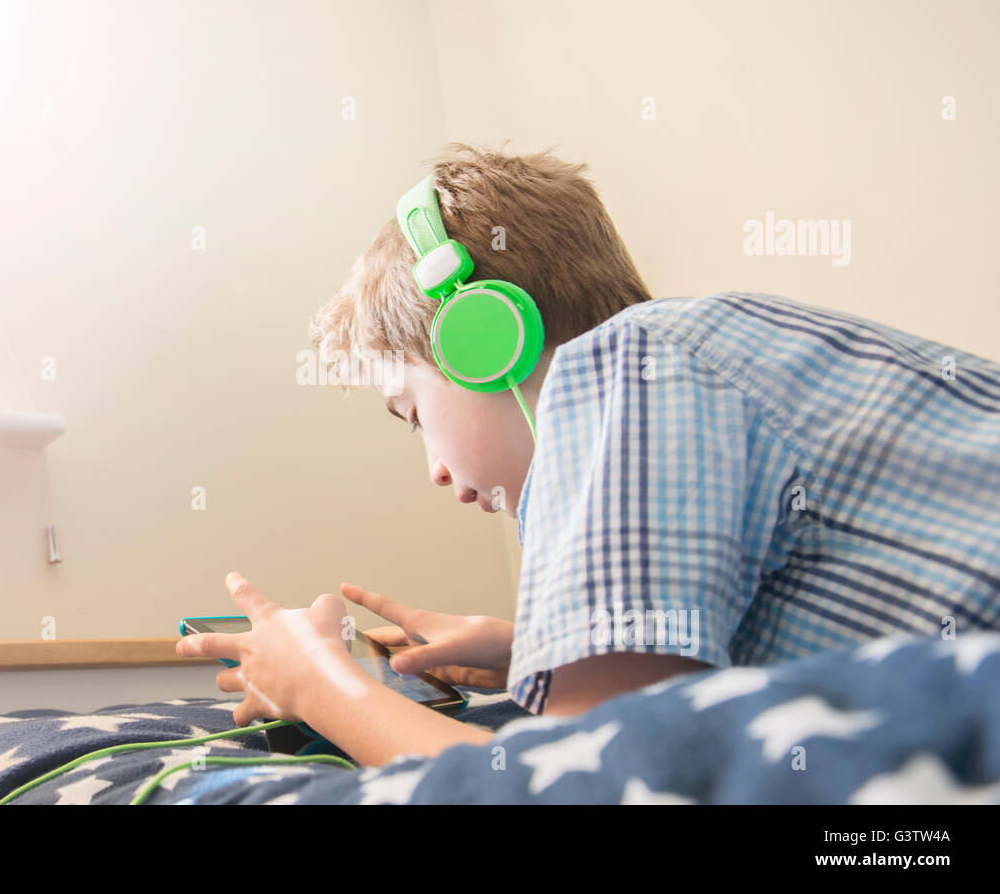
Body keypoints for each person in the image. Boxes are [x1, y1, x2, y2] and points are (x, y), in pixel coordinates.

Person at [176, 142, 1000, 768]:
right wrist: (533, 641)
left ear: (483, 338)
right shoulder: (690, 351)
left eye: (413, 413)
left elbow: (594, 782)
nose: (432, 466)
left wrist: (320, 685)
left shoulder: (623, 370)